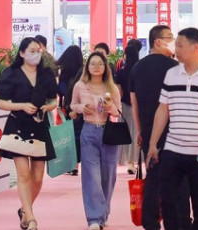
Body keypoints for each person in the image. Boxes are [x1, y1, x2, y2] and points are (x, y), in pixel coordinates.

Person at [148, 27, 198, 230]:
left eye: (180, 45)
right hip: (173, 149)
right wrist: (153, 143)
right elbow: (163, 109)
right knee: (168, 201)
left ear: (195, 48)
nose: (176, 49)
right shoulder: (172, 74)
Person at [129, 25, 191, 230]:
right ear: (158, 41)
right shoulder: (175, 67)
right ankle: (182, 222)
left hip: (149, 131)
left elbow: (134, 103)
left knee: (153, 178)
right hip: (176, 130)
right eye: (170, 37)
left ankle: (150, 221)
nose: (174, 41)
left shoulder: (137, 68)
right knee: (180, 179)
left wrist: (140, 130)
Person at [0, 37, 59, 230]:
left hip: (39, 126)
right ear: (22, 53)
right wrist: (22, 106)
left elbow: (54, 100)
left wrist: (48, 107)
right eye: (32, 51)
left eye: (38, 51)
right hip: (18, 126)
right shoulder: (11, 74)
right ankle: (31, 218)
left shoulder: (46, 74)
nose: (36, 54)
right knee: (23, 174)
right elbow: (1, 103)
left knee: (38, 177)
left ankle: (24, 210)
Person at [71, 52, 122, 230]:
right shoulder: (80, 85)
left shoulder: (112, 87)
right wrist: (81, 108)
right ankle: (94, 218)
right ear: (87, 67)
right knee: (91, 175)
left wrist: (110, 107)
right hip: (89, 131)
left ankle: (103, 212)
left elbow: (118, 111)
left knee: (108, 176)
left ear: (105, 67)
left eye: (100, 63)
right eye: (92, 63)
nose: (96, 67)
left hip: (108, 133)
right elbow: (72, 105)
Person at [57, 45, 84, 175]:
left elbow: (61, 90)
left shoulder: (64, 73)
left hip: (68, 108)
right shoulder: (83, 72)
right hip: (81, 107)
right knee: (78, 136)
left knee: (68, 136)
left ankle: (70, 163)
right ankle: (75, 165)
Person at [116, 42, 140, 174]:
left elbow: (119, 92)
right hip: (138, 106)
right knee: (136, 132)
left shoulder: (120, 72)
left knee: (125, 133)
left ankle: (127, 161)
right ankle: (133, 161)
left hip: (125, 105)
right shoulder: (140, 70)